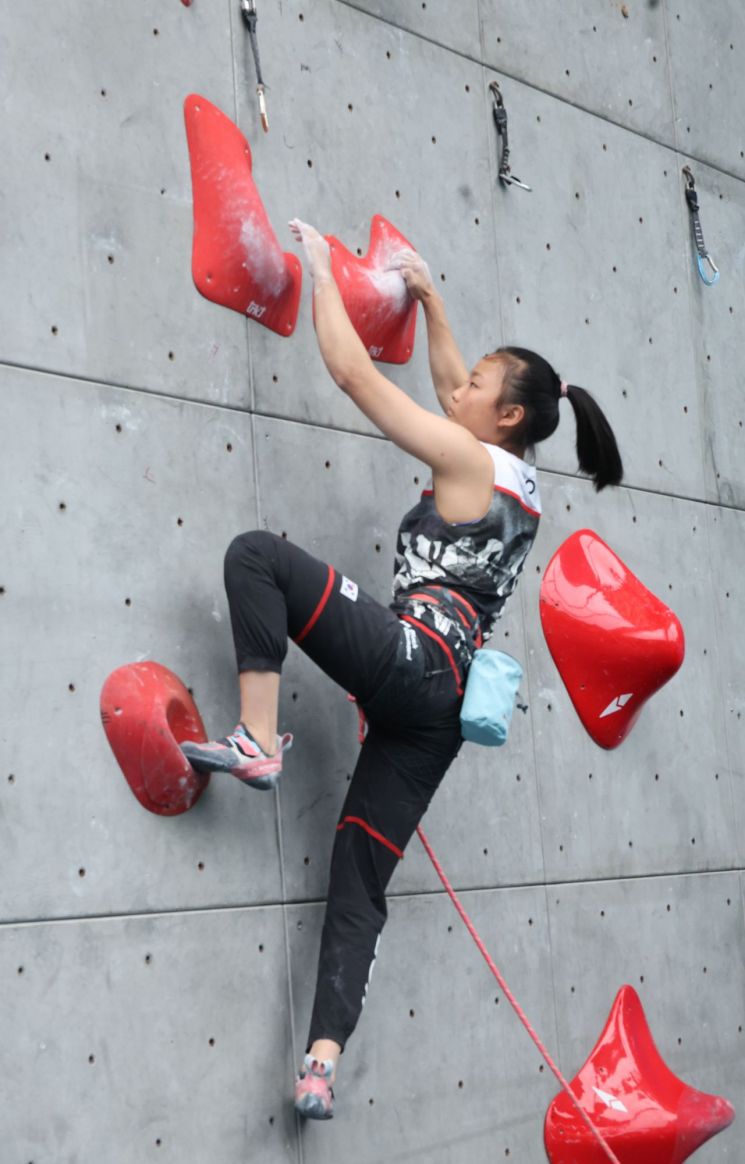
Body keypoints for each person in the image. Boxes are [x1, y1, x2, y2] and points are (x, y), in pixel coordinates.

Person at [181, 221, 624, 1120]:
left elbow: (354, 377)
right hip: (439, 711)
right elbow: (450, 387)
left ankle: (258, 742)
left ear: (502, 416)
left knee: (256, 557)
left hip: (414, 662)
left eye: (475, 386)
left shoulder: (464, 454)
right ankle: (319, 1067)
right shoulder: (513, 475)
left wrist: (315, 270)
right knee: (359, 877)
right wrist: (429, 300)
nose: (456, 386)